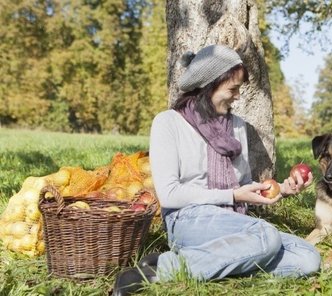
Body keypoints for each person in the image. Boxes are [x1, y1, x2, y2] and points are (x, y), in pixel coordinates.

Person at [113, 44, 321, 295]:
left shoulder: (237, 126)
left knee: (308, 258)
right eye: (233, 89)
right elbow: (169, 194)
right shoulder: (168, 123)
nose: (237, 96)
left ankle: (202, 262)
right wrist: (232, 196)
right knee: (266, 236)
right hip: (187, 219)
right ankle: (159, 270)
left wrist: (283, 190)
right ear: (209, 85)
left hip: (233, 222)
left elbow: (244, 186)